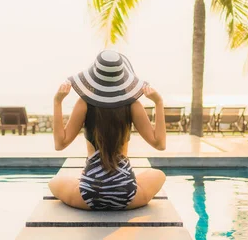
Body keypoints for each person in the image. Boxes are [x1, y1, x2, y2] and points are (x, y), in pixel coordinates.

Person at [48, 50, 166, 210]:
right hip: (126, 193)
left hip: (90, 192)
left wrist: (57, 102)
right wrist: (158, 103)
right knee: (158, 175)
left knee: (53, 182)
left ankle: (93, 183)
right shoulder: (132, 105)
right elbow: (160, 144)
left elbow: (59, 144)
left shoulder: (84, 103)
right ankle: (115, 186)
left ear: (94, 77)